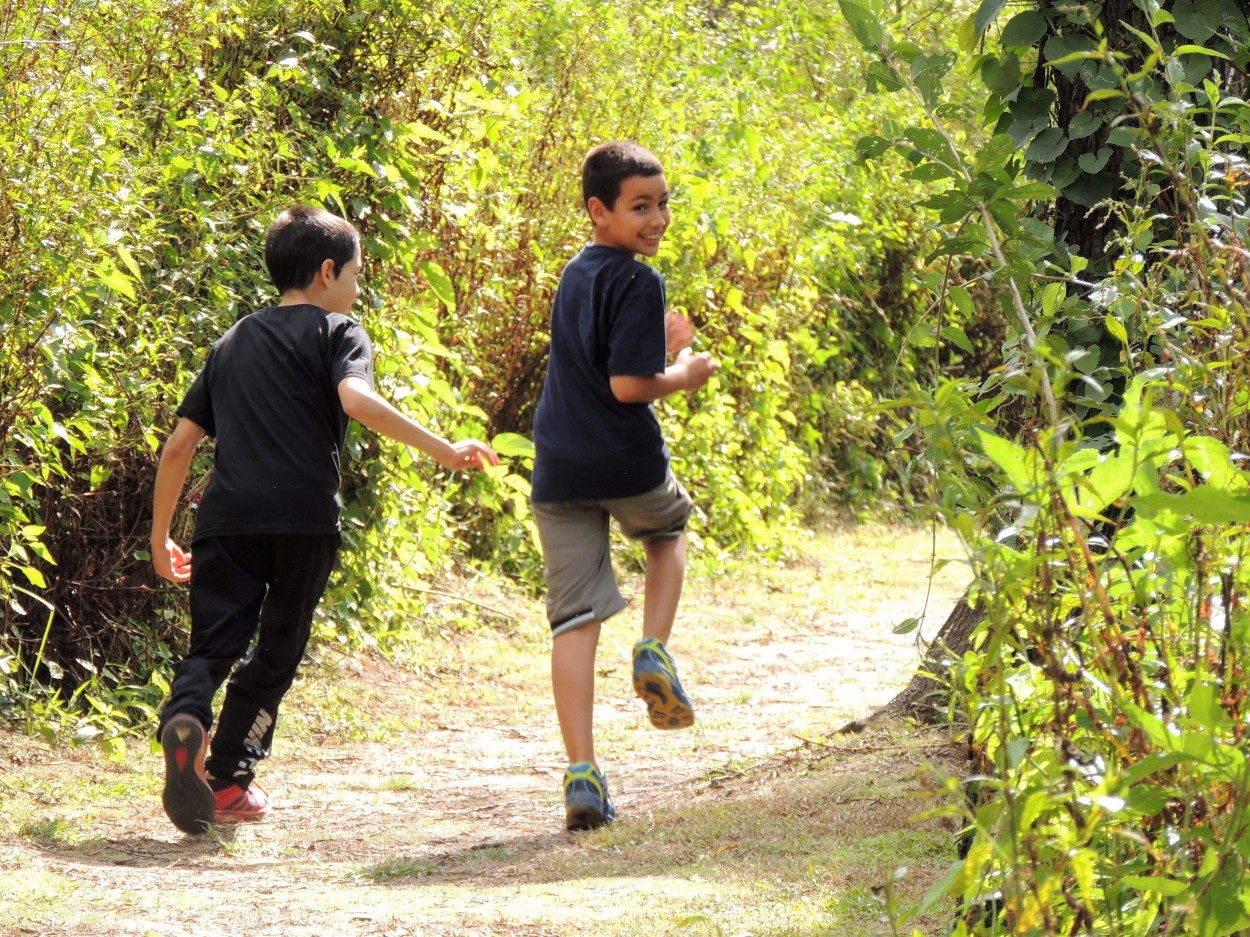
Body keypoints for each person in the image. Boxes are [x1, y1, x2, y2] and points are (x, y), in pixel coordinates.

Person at [150, 204, 498, 835]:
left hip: (226, 521)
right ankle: (226, 779)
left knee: (213, 646)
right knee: (278, 648)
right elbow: (356, 401)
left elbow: (178, 447)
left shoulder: (230, 343)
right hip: (304, 520)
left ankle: (189, 719)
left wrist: (159, 537)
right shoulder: (340, 333)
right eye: (357, 275)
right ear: (327, 271)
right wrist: (445, 449)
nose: (358, 290)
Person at [530, 140, 720, 831]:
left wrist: (660, 348)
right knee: (668, 533)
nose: (658, 218)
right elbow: (628, 384)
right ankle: (653, 648)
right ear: (598, 210)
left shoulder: (575, 272)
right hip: (627, 461)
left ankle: (582, 774)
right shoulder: (640, 281)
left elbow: (596, 359)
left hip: (559, 466)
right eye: (640, 206)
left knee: (574, 619)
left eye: (663, 203)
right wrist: (685, 373)